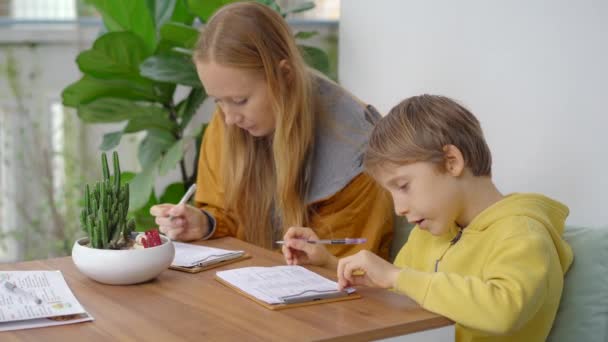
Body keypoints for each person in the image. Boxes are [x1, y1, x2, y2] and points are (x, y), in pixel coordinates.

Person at [282, 95, 573, 341]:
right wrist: (330, 264)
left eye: (404, 186)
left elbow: (503, 310)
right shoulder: (430, 233)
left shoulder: (522, 233)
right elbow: (396, 290)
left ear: (451, 162)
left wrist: (396, 276)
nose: (398, 209)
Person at [149, 1, 393, 258]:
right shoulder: (229, 122)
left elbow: (348, 270)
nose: (229, 118)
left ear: (284, 75)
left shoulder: (356, 154)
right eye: (218, 101)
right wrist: (205, 223)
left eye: (240, 100)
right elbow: (226, 215)